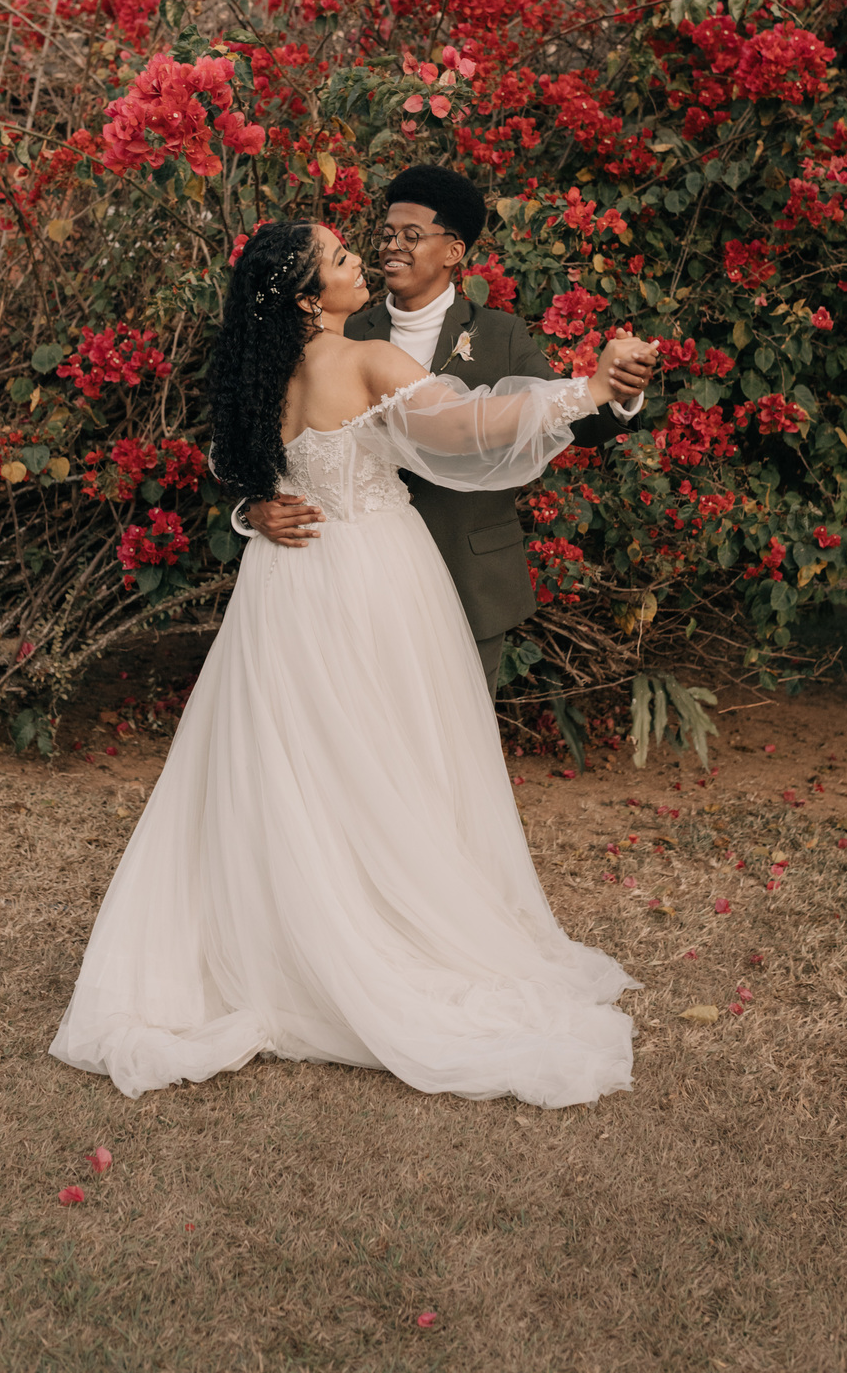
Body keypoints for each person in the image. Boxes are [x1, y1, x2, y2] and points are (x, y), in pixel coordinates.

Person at [50, 218, 659, 1109]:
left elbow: (238, 462)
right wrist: (590, 386)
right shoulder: (364, 359)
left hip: (283, 588)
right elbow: (474, 426)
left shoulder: (256, 375)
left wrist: (256, 507)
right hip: (371, 575)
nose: (359, 261)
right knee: (390, 757)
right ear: (308, 298)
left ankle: (284, 942)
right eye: (340, 258)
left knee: (290, 766)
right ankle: (374, 938)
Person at [238, 164, 656, 696]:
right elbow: (258, 435)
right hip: (344, 584)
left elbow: (567, 418)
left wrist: (616, 391)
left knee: (448, 734)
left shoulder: (501, 334)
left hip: (467, 577)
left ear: (453, 251)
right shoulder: (346, 330)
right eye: (386, 234)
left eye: (411, 236)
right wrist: (254, 505)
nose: (390, 247)